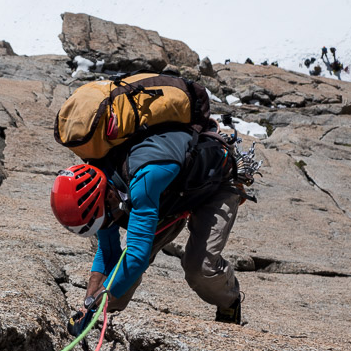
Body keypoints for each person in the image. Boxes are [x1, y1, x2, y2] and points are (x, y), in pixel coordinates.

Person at [51, 124, 248, 332]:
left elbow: (137, 257)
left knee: (200, 266)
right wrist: (88, 305)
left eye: (103, 221)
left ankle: (229, 302)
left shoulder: (146, 178)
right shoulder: (99, 191)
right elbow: (108, 252)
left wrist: (99, 300)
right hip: (170, 197)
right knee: (117, 283)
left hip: (216, 182)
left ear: (109, 197)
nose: (105, 225)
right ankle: (100, 316)